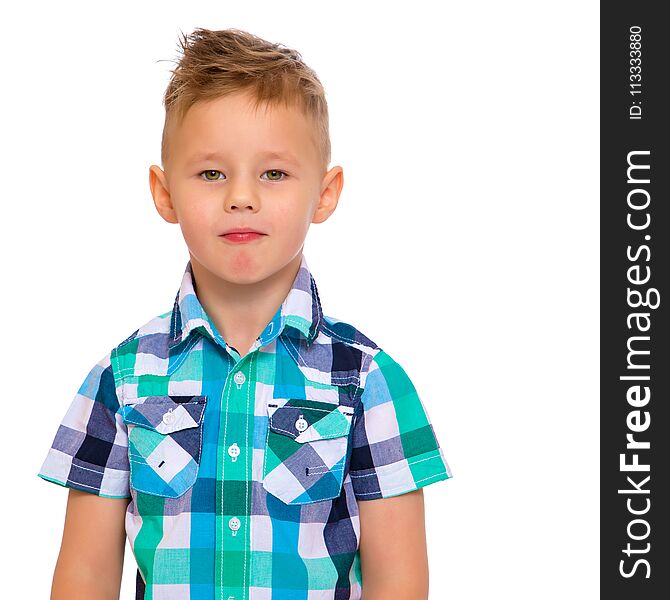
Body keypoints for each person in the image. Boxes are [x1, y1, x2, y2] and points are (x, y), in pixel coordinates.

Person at [37, 27, 453, 600]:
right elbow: (83, 576)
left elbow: (399, 582)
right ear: (164, 194)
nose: (241, 196)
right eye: (212, 173)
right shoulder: (121, 380)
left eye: (273, 173)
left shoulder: (369, 382)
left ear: (326, 193)